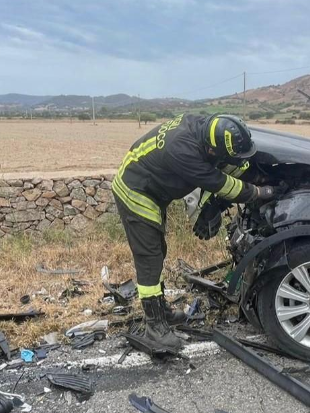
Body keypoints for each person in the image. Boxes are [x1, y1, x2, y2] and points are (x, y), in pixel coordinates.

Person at [112, 113, 278, 353]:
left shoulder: (207, 130)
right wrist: (259, 192)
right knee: (150, 257)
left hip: (150, 186)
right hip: (136, 191)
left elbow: (225, 166)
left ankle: (160, 311)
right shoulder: (182, 152)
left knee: (158, 251)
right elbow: (220, 182)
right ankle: (154, 327)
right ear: (211, 150)